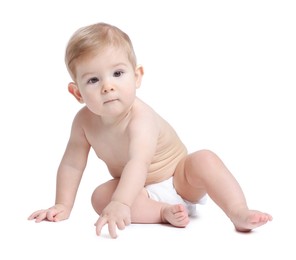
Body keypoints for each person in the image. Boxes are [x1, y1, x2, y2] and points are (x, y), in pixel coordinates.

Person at [28, 22, 272, 239]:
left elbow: (139, 162)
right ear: (77, 93)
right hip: (137, 191)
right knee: (100, 197)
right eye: (93, 80)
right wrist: (63, 204)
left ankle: (238, 211)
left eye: (117, 73)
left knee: (204, 159)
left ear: (137, 77)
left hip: (180, 180)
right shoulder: (83, 122)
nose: (108, 87)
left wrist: (121, 202)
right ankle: (162, 213)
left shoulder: (141, 117)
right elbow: (72, 164)